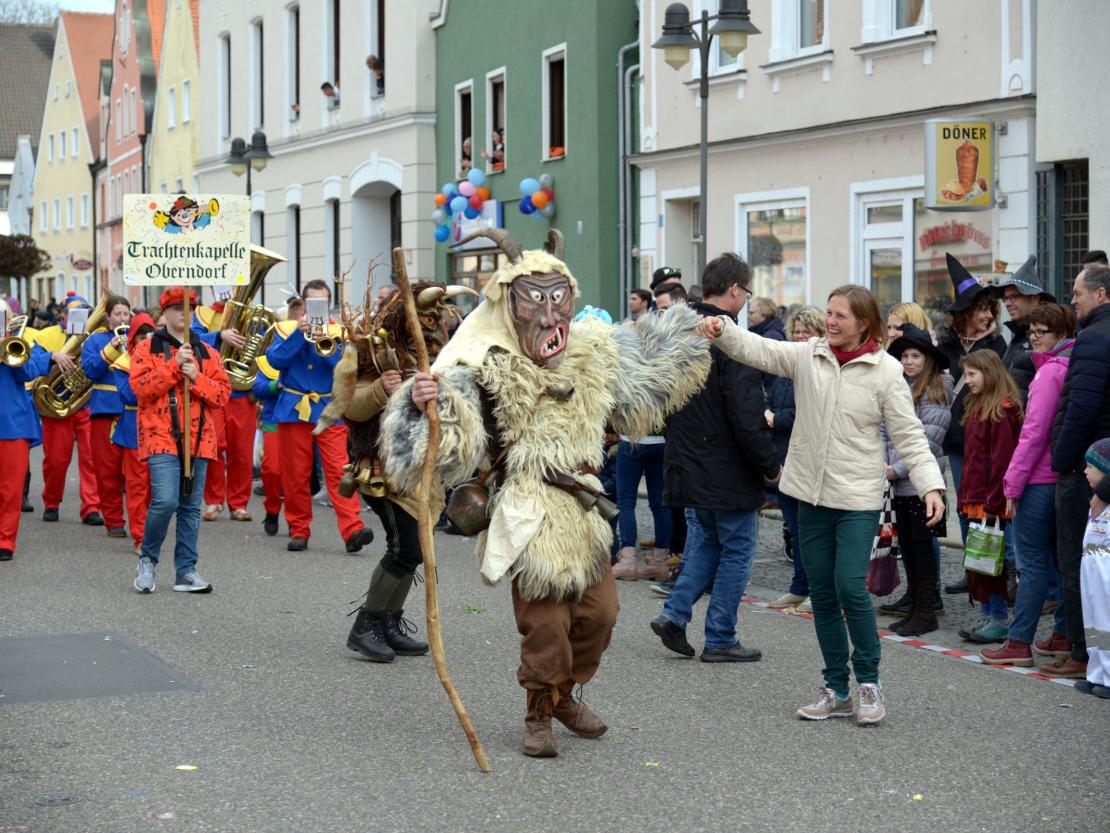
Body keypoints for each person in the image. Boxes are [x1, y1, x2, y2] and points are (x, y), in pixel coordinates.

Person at [380, 228, 711, 758]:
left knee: (601, 614)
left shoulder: (593, 353)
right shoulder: (483, 362)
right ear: (511, 305)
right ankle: (539, 712)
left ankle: (561, 693)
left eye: (559, 298)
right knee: (547, 622)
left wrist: (696, 327)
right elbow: (444, 440)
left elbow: (652, 369)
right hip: (528, 506)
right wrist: (423, 403)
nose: (550, 315)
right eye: (535, 299)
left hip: (583, 506)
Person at [698, 282, 946, 725]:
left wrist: (931, 485)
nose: (830, 322)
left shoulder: (886, 371)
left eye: (841, 316)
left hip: (857, 498)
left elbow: (910, 435)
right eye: (828, 313)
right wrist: (723, 330)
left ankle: (869, 683)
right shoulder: (808, 355)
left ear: (864, 324)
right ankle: (836, 688)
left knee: (851, 587)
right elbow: (759, 350)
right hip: (808, 495)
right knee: (824, 595)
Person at [317, 282, 474, 663]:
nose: (431, 323)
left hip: (419, 469)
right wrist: (382, 391)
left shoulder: (437, 356)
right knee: (407, 548)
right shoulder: (371, 348)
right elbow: (348, 406)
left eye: (435, 317)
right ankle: (366, 626)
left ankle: (387, 622)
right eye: (423, 316)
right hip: (381, 470)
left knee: (410, 550)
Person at [649, 253, 780, 663]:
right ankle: (721, 636)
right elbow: (745, 411)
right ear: (736, 290)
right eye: (747, 291)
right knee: (737, 548)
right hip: (725, 464)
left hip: (687, 457)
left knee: (706, 543)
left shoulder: (677, 330)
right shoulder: (727, 335)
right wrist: (768, 464)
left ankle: (673, 615)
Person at [981, 303, 1074, 665]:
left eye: (1042, 332)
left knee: (1032, 565)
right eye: (1032, 331)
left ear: (1062, 335)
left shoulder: (1050, 373)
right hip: (1059, 479)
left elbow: (1033, 434)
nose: (1034, 338)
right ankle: (1063, 635)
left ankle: (1019, 642)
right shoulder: (1070, 367)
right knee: (1060, 561)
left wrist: (1011, 484)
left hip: (1039, 479)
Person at [130, 288, 231, 594]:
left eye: (188, 308)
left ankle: (186, 572)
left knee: (190, 507)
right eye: (175, 308)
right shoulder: (147, 348)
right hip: (160, 436)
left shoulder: (208, 353)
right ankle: (147, 560)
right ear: (164, 314)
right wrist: (175, 367)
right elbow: (141, 389)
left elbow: (222, 395)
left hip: (199, 440)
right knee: (165, 501)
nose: (182, 314)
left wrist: (196, 377)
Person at [265, 279, 374, 553]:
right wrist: (300, 336)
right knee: (295, 474)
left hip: (329, 410)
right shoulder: (285, 329)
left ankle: (353, 530)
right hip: (293, 410)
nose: (317, 308)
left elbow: (341, 366)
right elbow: (275, 361)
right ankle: (299, 530)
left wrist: (321, 336)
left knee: (340, 471)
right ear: (303, 305)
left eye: (322, 303)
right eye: (313, 303)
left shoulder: (340, 331)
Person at [1045, 262, 1110, 679]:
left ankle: (1081, 653)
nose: (1072, 299)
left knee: (1079, 564)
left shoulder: (1093, 338)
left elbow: (1080, 409)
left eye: (1078, 292)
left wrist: (1060, 460)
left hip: (1086, 468)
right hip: (1103, 462)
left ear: (1100, 295)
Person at [937, 253, 1006, 595]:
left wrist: (989, 341)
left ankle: (992, 572)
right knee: (964, 507)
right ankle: (971, 566)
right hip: (954, 439)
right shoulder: (946, 345)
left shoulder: (997, 344)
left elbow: (1003, 384)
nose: (986, 315)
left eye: (989, 310)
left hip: (987, 439)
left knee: (985, 506)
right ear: (965, 312)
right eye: (980, 309)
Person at [881, 324, 952, 636]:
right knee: (907, 549)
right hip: (898, 482)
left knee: (922, 551)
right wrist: (884, 463)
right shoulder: (901, 387)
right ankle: (915, 606)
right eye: (905, 356)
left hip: (922, 487)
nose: (908, 361)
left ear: (928, 360)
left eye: (915, 356)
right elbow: (886, 429)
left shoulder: (936, 391)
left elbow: (928, 440)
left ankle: (926, 611)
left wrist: (895, 469)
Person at [955, 350, 1023, 644]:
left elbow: (1001, 461)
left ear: (990, 373)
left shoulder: (1003, 410)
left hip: (989, 501)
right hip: (975, 498)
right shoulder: (978, 406)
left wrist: (995, 502)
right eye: (965, 374)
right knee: (979, 561)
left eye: (972, 374)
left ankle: (999, 619)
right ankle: (987, 614)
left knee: (992, 562)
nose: (967, 380)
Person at [766, 305, 824, 612]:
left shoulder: (820, 367)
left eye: (807, 331)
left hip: (807, 458)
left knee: (813, 532)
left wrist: (775, 418)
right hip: (782, 457)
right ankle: (799, 587)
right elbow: (772, 402)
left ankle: (819, 590)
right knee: (795, 530)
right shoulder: (786, 367)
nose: (800, 336)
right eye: (797, 331)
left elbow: (809, 412)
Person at [0, 301, 69, 561]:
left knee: (10, 488)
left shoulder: (21, 341)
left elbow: (30, 371)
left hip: (12, 423)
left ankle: (5, 540)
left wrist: (10, 351)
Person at [38, 293, 102, 526]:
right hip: (56, 407)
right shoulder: (46, 335)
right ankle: (52, 502)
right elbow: (32, 357)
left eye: (84, 314)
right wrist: (52, 357)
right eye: (72, 314)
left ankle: (91, 507)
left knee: (90, 459)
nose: (77, 318)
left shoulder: (93, 335)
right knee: (56, 459)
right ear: (62, 315)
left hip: (85, 404)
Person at [79, 295, 132, 539]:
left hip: (133, 410)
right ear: (108, 317)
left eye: (125, 314)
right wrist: (111, 348)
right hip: (105, 410)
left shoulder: (139, 338)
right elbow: (90, 370)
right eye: (118, 314)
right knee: (107, 470)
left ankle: (141, 521)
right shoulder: (96, 340)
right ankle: (114, 520)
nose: (123, 318)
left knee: (137, 471)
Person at [112, 313, 156, 554]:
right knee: (138, 486)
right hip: (132, 427)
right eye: (141, 336)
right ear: (133, 338)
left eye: (150, 335)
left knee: (157, 486)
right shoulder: (122, 363)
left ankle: (151, 532)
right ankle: (140, 536)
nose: (146, 340)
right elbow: (129, 395)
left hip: (160, 427)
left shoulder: (163, 358)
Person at [1077, 438, 1110, 698]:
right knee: (1093, 621)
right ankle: (1096, 672)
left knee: (1106, 620)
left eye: (1091, 467)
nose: (1085, 471)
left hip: (1105, 570)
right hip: (1090, 568)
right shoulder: (1096, 501)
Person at [992, 255, 1051, 400]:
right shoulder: (1018, 336)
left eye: (1014, 296)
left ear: (1035, 298)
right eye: (1005, 298)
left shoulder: (1048, 336)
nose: (1007, 303)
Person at [251, 355, 282, 536]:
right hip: (274, 421)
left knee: (297, 475)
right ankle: (272, 510)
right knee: (271, 469)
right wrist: (276, 385)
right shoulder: (269, 359)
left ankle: (298, 521)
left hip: (301, 420)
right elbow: (258, 388)